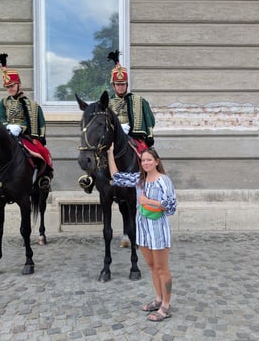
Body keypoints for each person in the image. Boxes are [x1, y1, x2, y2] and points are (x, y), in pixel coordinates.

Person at [107, 143, 177, 322]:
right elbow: (117, 177)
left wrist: (148, 201)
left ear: (156, 162)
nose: (145, 163)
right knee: (152, 267)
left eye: (149, 160)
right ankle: (158, 299)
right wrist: (110, 153)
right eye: (143, 160)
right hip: (143, 228)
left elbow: (171, 206)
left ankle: (166, 306)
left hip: (158, 228)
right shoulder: (140, 179)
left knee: (162, 268)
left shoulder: (163, 180)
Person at [107, 50, 156, 247]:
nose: (120, 87)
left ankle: (150, 182)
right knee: (101, 156)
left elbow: (149, 121)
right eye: (117, 84)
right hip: (115, 139)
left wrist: (137, 131)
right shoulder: (108, 103)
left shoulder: (138, 101)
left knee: (146, 158)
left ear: (127, 85)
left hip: (134, 138)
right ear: (113, 85)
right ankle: (93, 179)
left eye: (123, 84)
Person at [0, 53, 53, 190]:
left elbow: (40, 122)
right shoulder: (3, 103)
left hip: (24, 135)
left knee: (42, 152)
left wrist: (22, 128)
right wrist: (8, 126)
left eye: (12, 86)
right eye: (7, 87)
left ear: (19, 84)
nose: (10, 89)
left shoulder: (32, 104)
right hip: (7, 133)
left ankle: (43, 178)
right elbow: (0, 118)